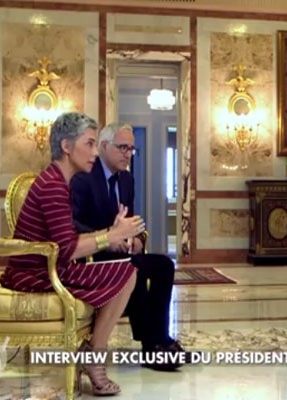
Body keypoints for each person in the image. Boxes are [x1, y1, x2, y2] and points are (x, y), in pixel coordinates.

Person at [0, 112, 145, 396]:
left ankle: (92, 353)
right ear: (66, 146)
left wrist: (111, 233)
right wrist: (111, 235)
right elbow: (68, 249)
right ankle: (94, 357)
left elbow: (66, 241)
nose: (95, 152)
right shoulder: (53, 185)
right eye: (89, 144)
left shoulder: (58, 180)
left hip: (50, 266)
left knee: (127, 270)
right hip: (37, 273)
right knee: (127, 273)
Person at [70, 122, 184, 371]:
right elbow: (72, 223)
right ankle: (152, 346)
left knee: (164, 265)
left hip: (121, 252)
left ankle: (161, 337)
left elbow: (129, 219)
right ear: (104, 146)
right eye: (123, 147)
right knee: (134, 269)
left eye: (132, 149)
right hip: (92, 255)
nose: (128, 154)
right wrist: (108, 238)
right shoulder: (83, 177)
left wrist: (137, 238)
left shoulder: (127, 179)